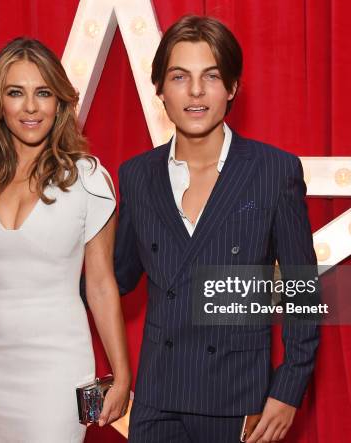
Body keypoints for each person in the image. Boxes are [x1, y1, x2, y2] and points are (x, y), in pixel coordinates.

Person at [114, 16, 319, 442]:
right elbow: (117, 278)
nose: (194, 92)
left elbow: (302, 289)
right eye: (179, 77)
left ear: (231, 88)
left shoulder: (273, 170)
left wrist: (288, 390)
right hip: (157, 400)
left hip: (239, 401)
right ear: (160, 90)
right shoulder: (135, 176)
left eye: (210, 76)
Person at [0, 37, 131, 442]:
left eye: (43, 92)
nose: (30, 107)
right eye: (16, 92)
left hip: (61, 368)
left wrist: (121, 371)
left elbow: (100, 284)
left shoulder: (89, 181)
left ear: (59, 101)